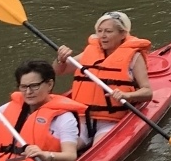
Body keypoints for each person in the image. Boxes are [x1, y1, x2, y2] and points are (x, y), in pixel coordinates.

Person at [57, 11, 153, 144]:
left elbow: (147, 92)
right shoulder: (90, 52)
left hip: (111, 121)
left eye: (108, 31)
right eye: (100, 31)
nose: (103, 36)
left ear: (123, 34)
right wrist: (61, 60)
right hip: (83, 118)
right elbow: (60, 71)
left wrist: (127, 95)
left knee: (99, 147)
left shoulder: (134, 57)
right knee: (63, 147)